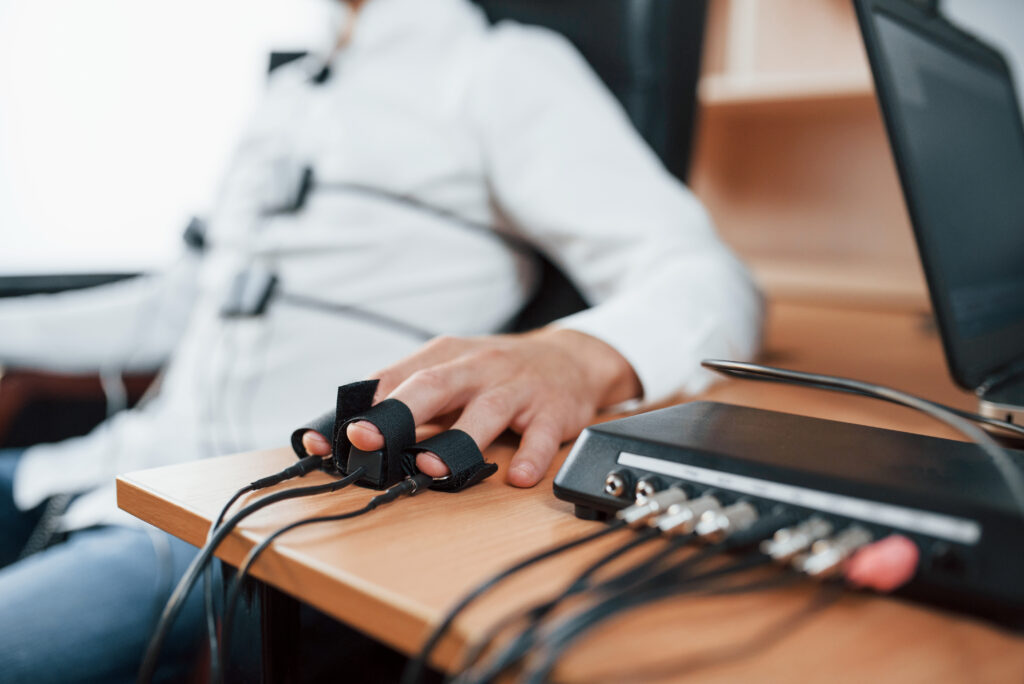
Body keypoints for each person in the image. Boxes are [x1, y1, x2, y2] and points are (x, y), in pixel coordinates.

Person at [0, 0, 761, 680]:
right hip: (95, 468)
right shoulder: (291, 93)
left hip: (224, 520)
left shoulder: (497, 70)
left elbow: (708, 279)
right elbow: (176, 306)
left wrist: (576, 356)